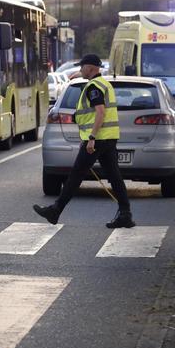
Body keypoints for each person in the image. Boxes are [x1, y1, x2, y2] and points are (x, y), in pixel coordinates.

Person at [33, 54, 135, 229]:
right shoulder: (104, 84)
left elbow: (101, 112)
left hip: (97, 140)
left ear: (90, 68)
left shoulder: (93, 87)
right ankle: (125, 214)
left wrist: (92, 138)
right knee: (114, 176)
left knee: (76, 175)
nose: (80, 70)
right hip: (109, 138)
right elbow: (95, 112)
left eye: (82, 67)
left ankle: (55, 210)